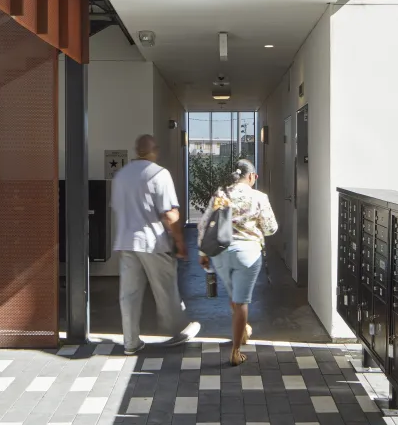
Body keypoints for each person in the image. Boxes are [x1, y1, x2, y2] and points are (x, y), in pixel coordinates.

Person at [112, 134, 200, 355]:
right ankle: (178, 329)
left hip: (126, 242)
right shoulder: (159, 174)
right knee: (166, 289)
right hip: (153, 242)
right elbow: (170, 215)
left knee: (129, 295)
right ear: (154, 150)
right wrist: (181, 243)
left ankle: (130, 342)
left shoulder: (121, 175)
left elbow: (118, 207)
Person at [198, 159, 278, 366]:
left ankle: (242, 330)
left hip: (221, 252)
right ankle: (236, 350)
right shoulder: (258, 197)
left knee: (234, 295)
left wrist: (202, 251)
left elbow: (204, 223)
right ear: (251, 176)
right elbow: (271, 228)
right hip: (248, 253)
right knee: (242, 301)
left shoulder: (221, 194)